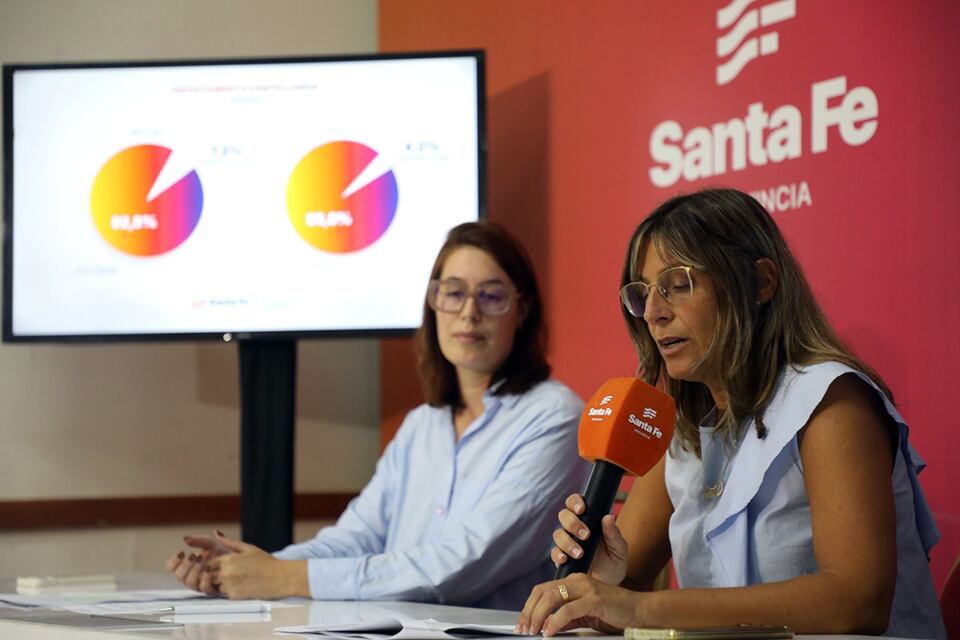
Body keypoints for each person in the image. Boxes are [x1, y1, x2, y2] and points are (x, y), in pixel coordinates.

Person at [517, 189, 945, 638]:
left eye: (678, 284)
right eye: (643, 294)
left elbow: (857, 602)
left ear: (761, 282)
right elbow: (627, 590)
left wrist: (641, 608)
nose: (654, 313)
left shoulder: (833, 402)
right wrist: (604, 582)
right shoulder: (682, 429)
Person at [166, 221, 590, 609]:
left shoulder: (555, 418)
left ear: (523, 310)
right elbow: (358, 537)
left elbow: (462, 563)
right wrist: (243, 567)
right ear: (433, 304)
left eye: (491, 295)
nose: (468, 312)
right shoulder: (422, 425)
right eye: (453, 292)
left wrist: (283, 576)